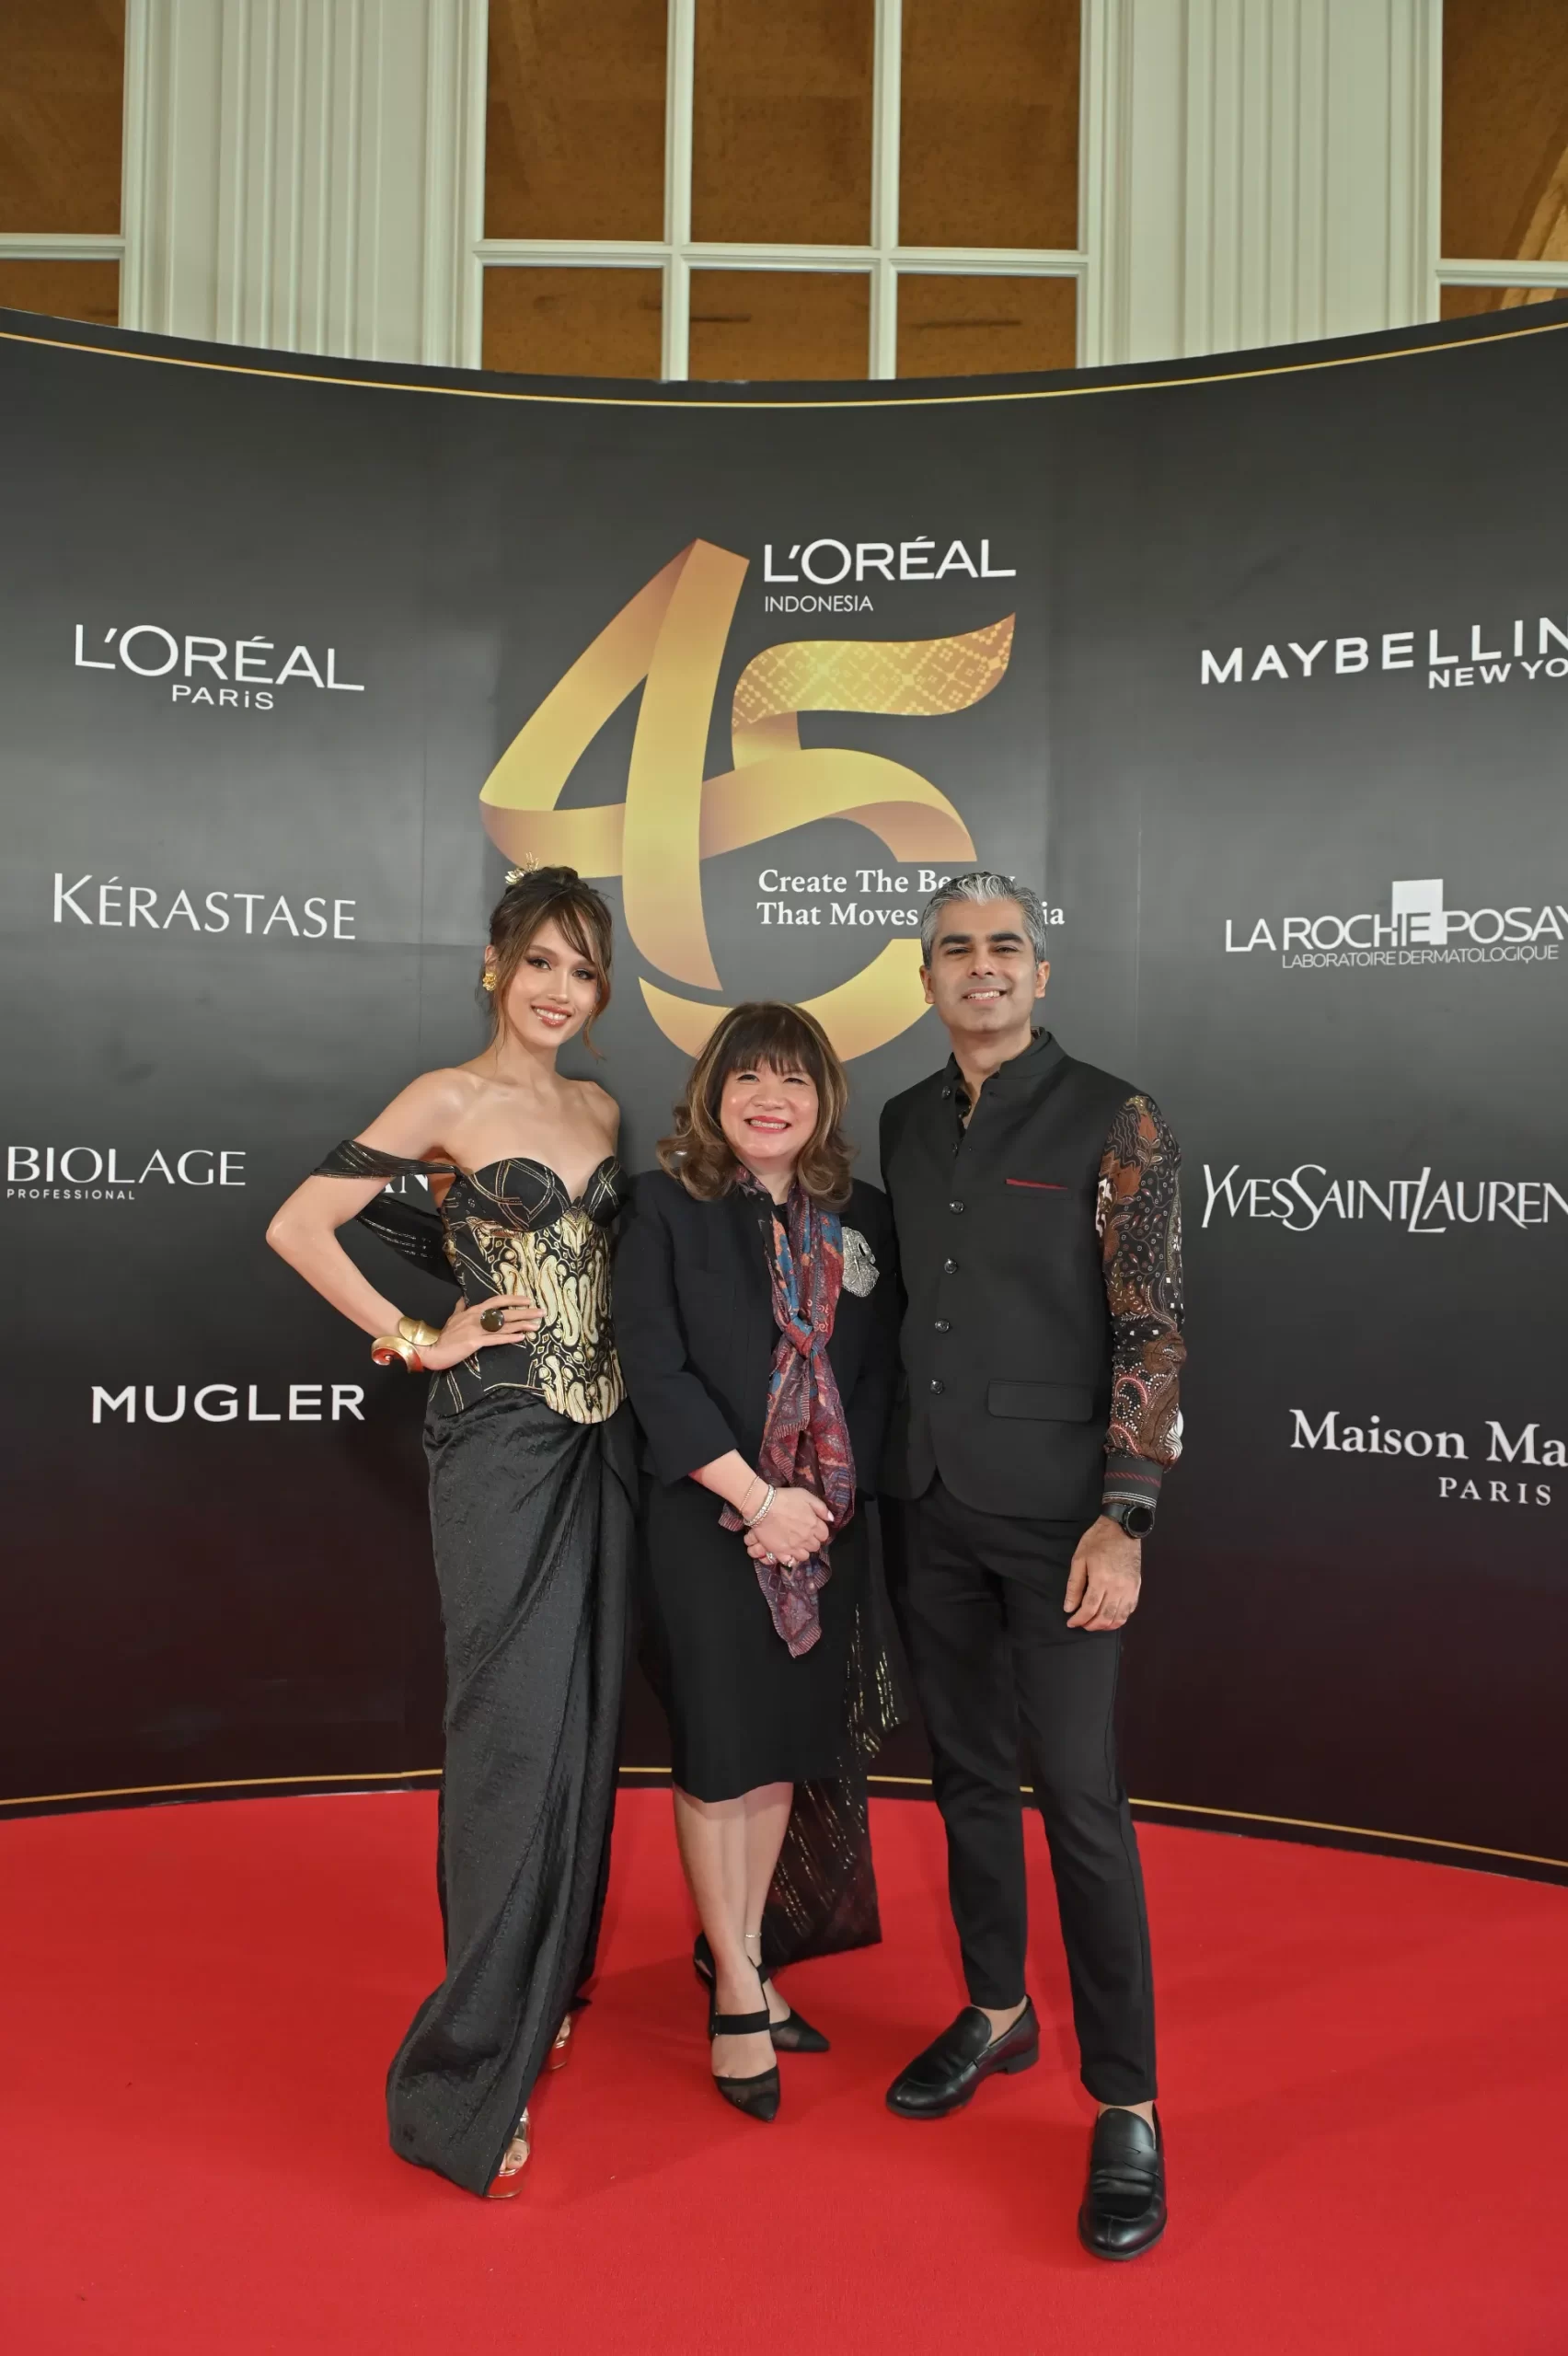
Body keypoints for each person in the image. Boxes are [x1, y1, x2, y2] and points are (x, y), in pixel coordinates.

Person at [265, 863, 633, 2200]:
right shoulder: (445, 1100)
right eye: (540, 961)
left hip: (609, 1445)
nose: (559, 989)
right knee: (509, 1733)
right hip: (499, 1444)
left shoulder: (600, 1107)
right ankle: (464, 2072)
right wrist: (420, 1339)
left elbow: (549, 1250)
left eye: (583, 969)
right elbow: (300, 1223)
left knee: (585, 1726)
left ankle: (543, 1984)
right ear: (495, 966)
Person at [878, 871, 1185, 2262]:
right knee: (962, 1774)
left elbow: (1153, 1328)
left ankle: (1128, 2100)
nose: (981, 966)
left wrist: (1128, 1513)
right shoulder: (902, 1120)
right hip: (927, 1501)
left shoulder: (1119, 1115)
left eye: (1005, 946)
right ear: (927, 976)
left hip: (1066, 1522)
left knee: (1080, 1799)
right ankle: (998, 2008)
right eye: (956, 949)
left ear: (1041, 972)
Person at [614, 1002, 899, 2121]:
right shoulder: (663, 1207)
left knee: (777, 1750)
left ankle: (740, 1947)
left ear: (824, 1099)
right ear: (713, 1094)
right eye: (747, 1079)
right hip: (706, 1521)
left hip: (820, 1534)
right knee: (719, 1750)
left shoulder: (864, 1217)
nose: (769, 1100)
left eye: (793, 1080)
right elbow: (655, 1369)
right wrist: (757, 1498)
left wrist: (815, 1508)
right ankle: (738, 1986)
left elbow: (874, 1379)